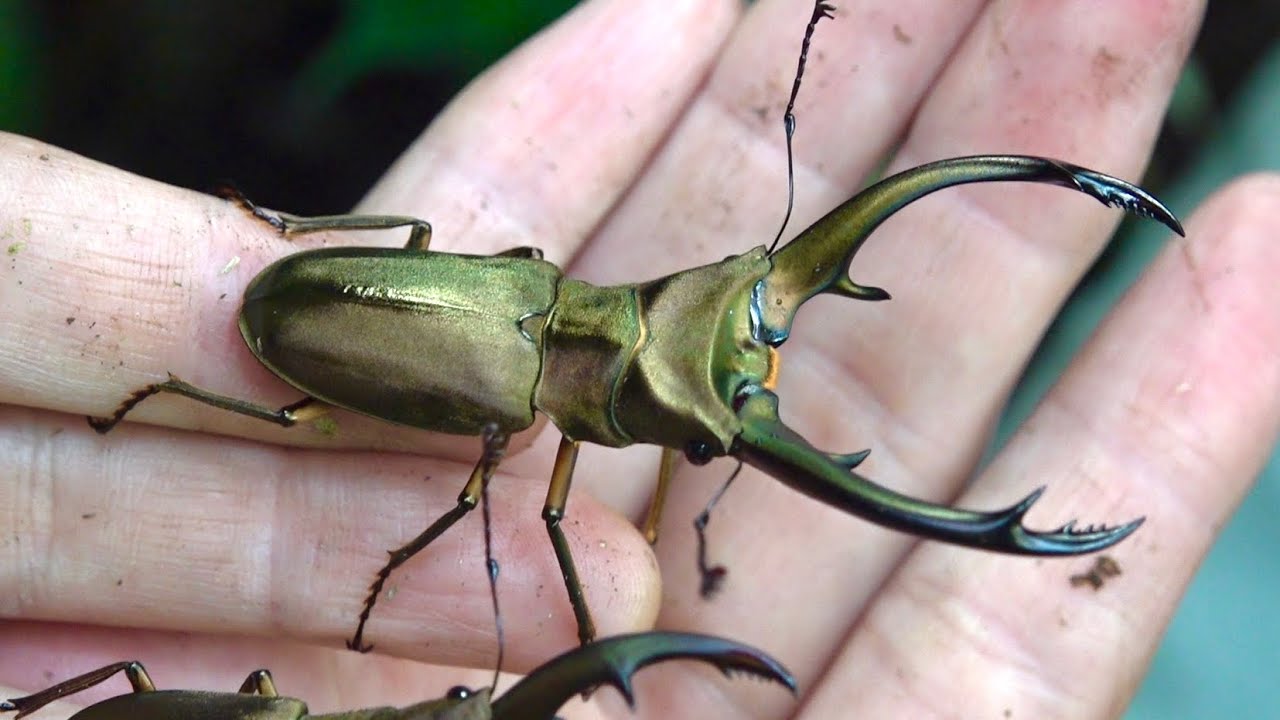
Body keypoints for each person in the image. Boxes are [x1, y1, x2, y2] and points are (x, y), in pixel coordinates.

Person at [2, 0, 1276, 717]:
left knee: (427, 265)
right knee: (300, 420)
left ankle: (239, 285)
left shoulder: (534, 274)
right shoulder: (524, 422)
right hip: (297, 322)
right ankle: (180, 359)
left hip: (351, 286)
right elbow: (548, 535)